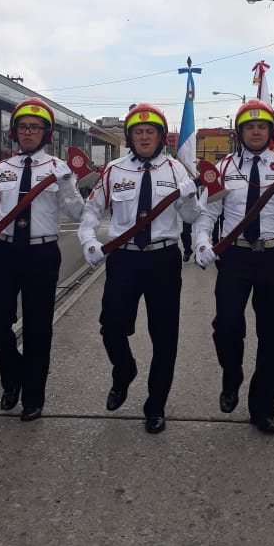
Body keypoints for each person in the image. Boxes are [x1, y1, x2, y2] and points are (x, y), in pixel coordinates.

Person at [0, 99, 83, 422]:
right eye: (23, 126)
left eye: (35, 127)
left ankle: (33, 397)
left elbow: (79, 213)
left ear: (46, 133)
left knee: (38, 330)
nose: (28, 132)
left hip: (41, 253)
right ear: (15, 131)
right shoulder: (1, 170)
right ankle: (13, 373)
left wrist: (68, 185)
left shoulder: (56, 170)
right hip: (6, 252)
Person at [193, 98, 274, 434]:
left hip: (273, 257)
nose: (255, 131)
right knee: (227, 326)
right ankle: (231, 374)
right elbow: (207, 214)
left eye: (261, 126)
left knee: (273, 335)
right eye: (249, 127)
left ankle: (263, 408)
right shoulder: (222, 169)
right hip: (234, 256)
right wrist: (202, 243)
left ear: (271, 132)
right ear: (240, 132)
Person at [79, 103, 199, 434]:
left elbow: (191, 218)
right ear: (130, 137)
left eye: (151, 132)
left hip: (162, 258)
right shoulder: (114, 171)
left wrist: (190, 198)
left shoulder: (177, 171)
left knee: (164, 337)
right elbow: (91, 213)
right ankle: (124, 370)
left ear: (161, 137)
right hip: (125, 258)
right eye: (138, 132)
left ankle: (155, 406)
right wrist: (90, 242)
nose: (144, 137)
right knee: (111, 328)